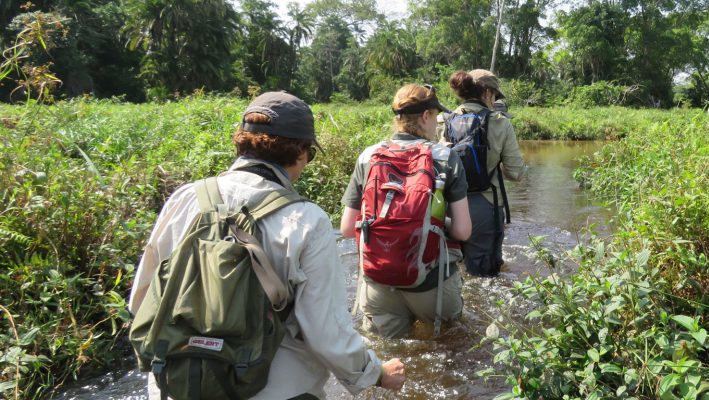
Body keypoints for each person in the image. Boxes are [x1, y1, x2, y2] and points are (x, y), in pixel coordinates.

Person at [128, 91, 405, 399]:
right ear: (300, 152)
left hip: (177, 384)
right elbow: (326, 333)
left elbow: (142, 300)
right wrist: (376, 372)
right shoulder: (307, 220)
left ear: (241, 143)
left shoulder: (184, 199)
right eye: (309, 155)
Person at [339, 84, 472, 339]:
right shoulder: (446, 157)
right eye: (436, 117)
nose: (438, 124)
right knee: (448, 350)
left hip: (378, 283)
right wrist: (433, 221)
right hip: (432, 285)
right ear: (425, 116)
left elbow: (347, 228)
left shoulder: (368, 156)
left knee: (388, 356)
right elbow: (463, 231)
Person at [443, 69, 525, 277]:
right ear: (488, 93)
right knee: (485, 273)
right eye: (495, 96)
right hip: (485, 205)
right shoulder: (500, 122)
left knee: (454, 267)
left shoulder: (444, 120)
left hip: (448, 206)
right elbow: (516, 173)